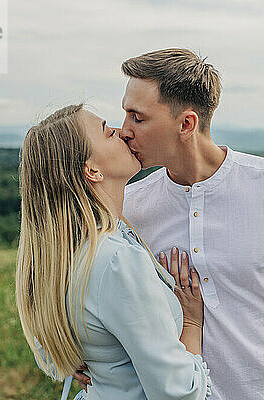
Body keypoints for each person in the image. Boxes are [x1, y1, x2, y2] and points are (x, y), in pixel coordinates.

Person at [77, 48, 264, 400]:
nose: (124, 130)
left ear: (186, 124)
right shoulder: (129, 207)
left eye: (138, 117)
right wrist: (80, 353)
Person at [15, 104, 212, 399]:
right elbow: (179, 394)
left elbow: (52, 347)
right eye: (108, 132)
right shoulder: (117, 261)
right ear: (92, 171)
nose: (123, 132)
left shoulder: (60, 258)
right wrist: (193, 324)